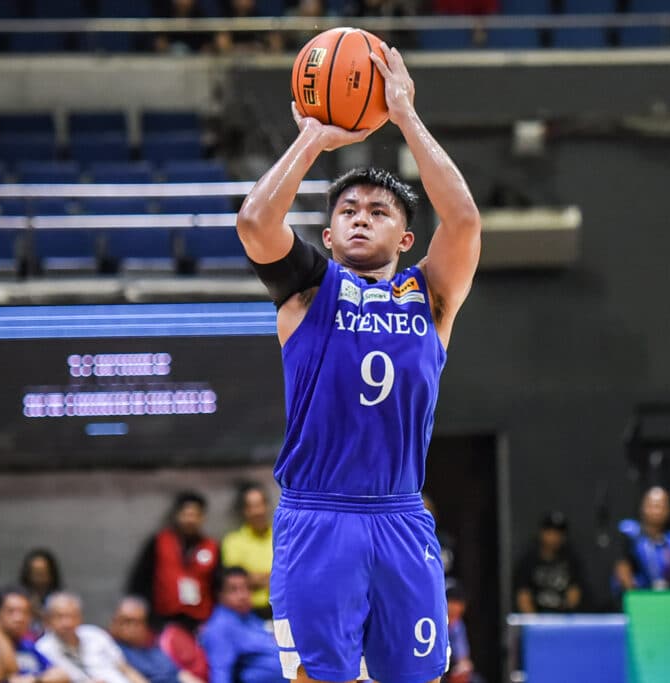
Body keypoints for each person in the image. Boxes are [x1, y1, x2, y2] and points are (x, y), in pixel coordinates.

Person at [236, 38, 481, 683]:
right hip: (318, 516)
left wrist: (404, 114)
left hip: (401, 513)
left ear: (405, 237)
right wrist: (313, 139)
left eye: (378, 211)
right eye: (347, 210)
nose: (360, 217)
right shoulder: (308, 290)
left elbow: (462, 220)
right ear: (328, 234)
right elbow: (256, 222)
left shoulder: (430, 296)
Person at [127, 491, 220, 629]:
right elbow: (140, 580)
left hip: (200, 621)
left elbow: (218, 585)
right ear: (177, 515)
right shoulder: (159, 542)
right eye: (186, 514)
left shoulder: (211, 547)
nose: (190, 520)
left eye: (195, 515)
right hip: (163, 619)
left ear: (202, 518)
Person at [36, 592, 148, 683]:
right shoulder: (43, 648)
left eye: (73, 615)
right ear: (48, 619)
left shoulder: (95, 634)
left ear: (80, 617)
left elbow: (125, 669)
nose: (67, 623)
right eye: (60, 617)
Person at [199, 567, 285, 683]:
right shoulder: (220, 627)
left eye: (246, 588)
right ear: (219, 595)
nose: (243, 595)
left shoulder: (247, 616)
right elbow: (221, 673)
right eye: (233, 590)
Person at [0, 587, 69, 683]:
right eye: (11, 611)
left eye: (25, 612)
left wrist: (34, 680)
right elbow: (9, 670)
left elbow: (62, 675)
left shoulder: (27, 646)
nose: (19, 618)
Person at [110, 596, 205, 683]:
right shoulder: (112, 649)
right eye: (124, 620)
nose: (129, 627)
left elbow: (181, 674)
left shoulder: (155, 650)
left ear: (145, 625)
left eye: (135, 622)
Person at [614, 486, 670, 592]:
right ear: (643, 507)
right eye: (653, 506)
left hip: (666, 597)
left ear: (669, 510)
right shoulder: (630, 533)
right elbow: (622, 565)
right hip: (635, 596)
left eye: (661, 506)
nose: (657, 511)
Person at [220, 482, 273, 619]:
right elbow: (238, 581)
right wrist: (273, 577)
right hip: (247, 614)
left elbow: (291, 575)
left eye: (261, 505)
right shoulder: (232, 542)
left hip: (282, 611)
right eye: (252, 507)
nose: (258, 511)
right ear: (244, 511)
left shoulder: (282, 537)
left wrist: (255, 578)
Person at [514, 511, 585, 613]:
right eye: (550, 532)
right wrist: (536, 624)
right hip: (536, 619)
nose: (554, 537)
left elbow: (574, 596)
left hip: (562, 620)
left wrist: (563, 619)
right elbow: (523, 596)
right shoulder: (528, 561)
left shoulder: (571, 560)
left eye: (558, 533)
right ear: (542, 533)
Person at [19, 549, 63, 636]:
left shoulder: (60, 599)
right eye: (35, 572)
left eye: (42, 572)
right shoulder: (19, 597)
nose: (39, 577)